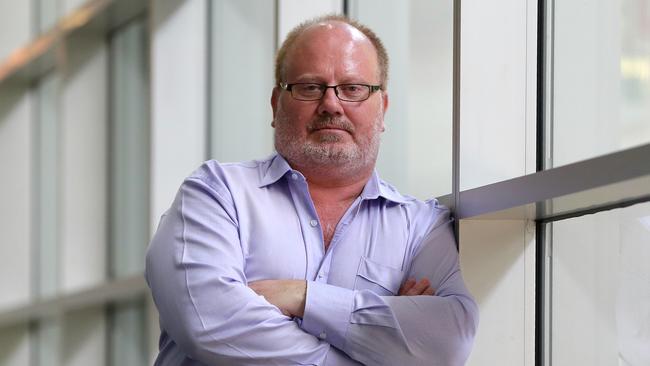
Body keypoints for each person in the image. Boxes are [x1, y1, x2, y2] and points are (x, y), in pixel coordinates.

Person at [146, 14, 478, 366]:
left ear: (382, 109)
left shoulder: (421, 227)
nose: (331, 104)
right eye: (310, 87)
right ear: (276, 104)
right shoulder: (217, 195)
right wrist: (383, 340)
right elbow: (208, 325)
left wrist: (303, 297)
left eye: (353, 88)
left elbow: (448, 344)